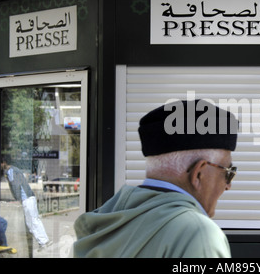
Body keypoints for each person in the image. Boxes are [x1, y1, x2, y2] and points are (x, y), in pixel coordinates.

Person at [73, 99, 239, 258]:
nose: (228, 185)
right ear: (199, 174)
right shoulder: (198, 234)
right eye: (228, 172)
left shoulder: (103, 224)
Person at [1, 155, 51, 250]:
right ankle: (44, 241)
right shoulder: (15, 169)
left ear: (3, 163)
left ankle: (43, 242)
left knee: (32, 222)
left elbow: (16, 186)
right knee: (33, 220)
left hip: (26, 199)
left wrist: (17, 199)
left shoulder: (11, 171)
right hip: (30, 197)